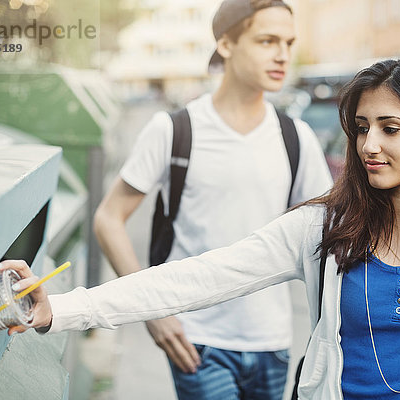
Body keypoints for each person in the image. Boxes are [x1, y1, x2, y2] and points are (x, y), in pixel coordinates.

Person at [0, 57, 400, 400]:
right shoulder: (324, 227)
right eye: (362, 128)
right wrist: (63, 308)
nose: (368, 146)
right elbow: (199, 278)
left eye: (390, 129)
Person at [91, 0, 332, 399]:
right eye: (267, 40)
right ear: (226, 43)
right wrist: (153, 313)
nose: (282, 54)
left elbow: (329, 233)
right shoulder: (174, 130)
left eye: (288, 42)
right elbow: (108, 218)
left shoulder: (296, 137)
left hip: (273, 341)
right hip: (197, 340)